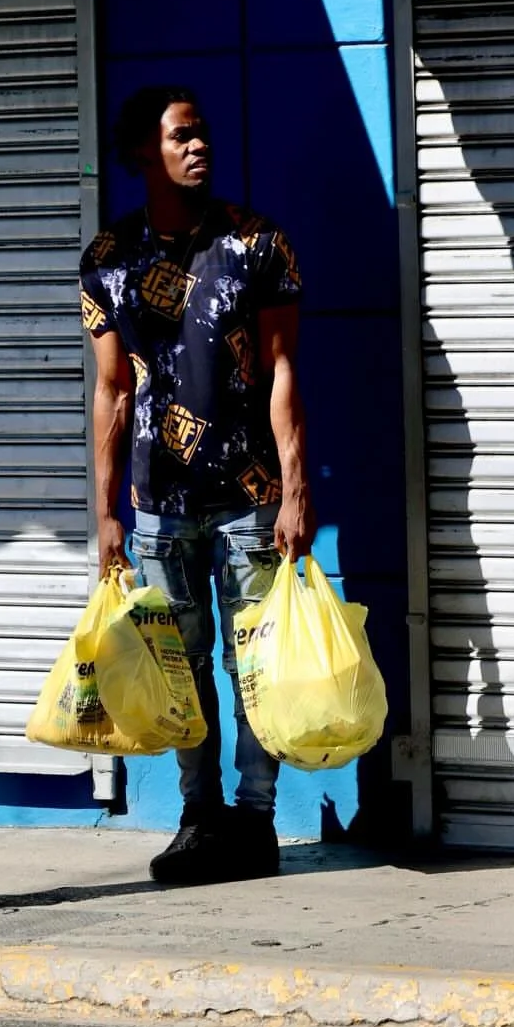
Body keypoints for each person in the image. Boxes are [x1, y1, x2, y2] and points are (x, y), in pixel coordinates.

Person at [79, 85, 315, 885]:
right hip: (157, 506)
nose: (197, 146)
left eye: (201, 133)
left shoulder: (259, 244)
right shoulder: (107, 260)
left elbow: (282, 371)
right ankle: (199, 817)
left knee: (255, 666)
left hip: (249, 496)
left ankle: (255, 819)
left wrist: (294, 490)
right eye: (180, 136)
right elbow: (112, 391)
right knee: (178, 669)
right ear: (141, 152)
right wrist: (105, 513)